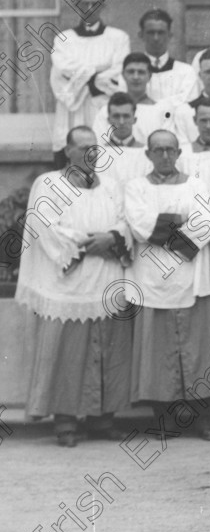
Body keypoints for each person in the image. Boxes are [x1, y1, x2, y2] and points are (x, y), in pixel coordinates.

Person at [16, 126, 133, 446]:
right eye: (81, 148)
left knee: (107, 352)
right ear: (67, 151)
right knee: (68, 355)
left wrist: (113, 237)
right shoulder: (48, 184)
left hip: (106, 279)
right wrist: (90, 242)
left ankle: (101, 418)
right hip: (68, 283)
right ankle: (66, 421)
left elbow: (124, 220)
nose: (89, 153)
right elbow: (45, 226)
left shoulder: (111, 185)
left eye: (93, 147)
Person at [124, 130, 210, 438]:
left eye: (170, 150)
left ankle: (203, 418)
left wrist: (166, 225)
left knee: (198, 351)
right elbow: (141, 227)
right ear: (148, 154)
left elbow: (204, 226)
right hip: (151, 280)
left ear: (179, 152)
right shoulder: (136, 187)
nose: (165, 155)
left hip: (190, 279)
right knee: (158, 352)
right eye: (158, 150)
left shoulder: (195, 185)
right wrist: (179, 222)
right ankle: (164, 418)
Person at [49, 0, 130, 167]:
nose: (90, 8)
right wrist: (99, 70)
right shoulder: (64, 39)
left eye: (95, 3)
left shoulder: (118, 38)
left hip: (103, 107)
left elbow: (118, 71)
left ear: (102, 5)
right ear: (77, 5)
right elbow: (62, 70)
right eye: (85, 3)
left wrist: (82, 76)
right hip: (73, 110)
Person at [92, 53, 175, 145]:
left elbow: (165, 144)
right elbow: (98, 144)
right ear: (123, 75)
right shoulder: (105, 111)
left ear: (149, 76)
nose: (136, 77)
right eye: (131, 72)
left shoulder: (162, 111)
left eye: (141, 72)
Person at [137, 8, 199, 104]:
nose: (156, 38)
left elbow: (189, 103)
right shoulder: (132, 71)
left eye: (161, 33)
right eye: (151, 32)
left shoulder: (186, 72)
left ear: (170, 35)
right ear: (141, 35)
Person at [94, 92, 153, 186]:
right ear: (109, 120)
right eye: (116, 116)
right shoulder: (99, 153)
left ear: (134, 119)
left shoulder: (145, 153)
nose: (121, 122)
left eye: (126, 116)